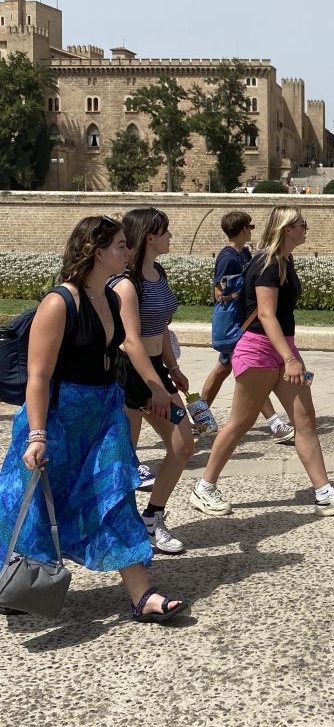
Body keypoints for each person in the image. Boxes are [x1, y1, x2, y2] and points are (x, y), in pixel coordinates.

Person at [0, 216, 189, 623]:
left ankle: (143, 596)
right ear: (97, 251)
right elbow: (39, 376)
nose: (127, 250)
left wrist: (157, 386)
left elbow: (123, 349)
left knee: (113, 496)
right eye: (121, 245)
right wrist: (36, 435)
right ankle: (17, 583)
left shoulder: (114, 297)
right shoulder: (59, 302)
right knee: (28, 503)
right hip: (58, 418)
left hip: (103, 414)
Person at [191, 206, 334, 518]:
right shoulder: (268, 262)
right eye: (301, 224)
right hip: (259, 349)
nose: (306, 228)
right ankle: (204, 487)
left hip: (282, 346)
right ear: (286, 228)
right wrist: (290, 358)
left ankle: (324, 493)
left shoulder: (284, 259)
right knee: (240, 423)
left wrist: (292, 355)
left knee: (305, 419)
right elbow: (266, 314)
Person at [112, 208, 195, 557]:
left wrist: (172, 367)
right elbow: (129, 341)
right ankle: (126, 527)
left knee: (183, 444)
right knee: (125, 458)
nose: (170, 236)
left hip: (156, 369)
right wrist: (156, 388)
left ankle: (152, 516)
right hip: (128, 375)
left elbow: (161, 325)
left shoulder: (157, 273)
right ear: (149, 236)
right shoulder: (126, 283)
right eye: (165, 232)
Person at [199, 210, 295, 445]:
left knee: (225, 369)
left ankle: (198, 415)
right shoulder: (228, 257)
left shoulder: (245, 253)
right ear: (242, 229)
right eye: (250, 227)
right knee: (251, 373)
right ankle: (275, 424)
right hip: (235, 323)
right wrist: (243, 293)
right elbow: (218, 292)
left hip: (242, 321)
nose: (252, 230)